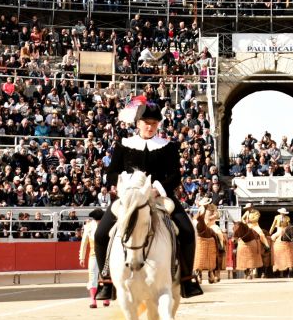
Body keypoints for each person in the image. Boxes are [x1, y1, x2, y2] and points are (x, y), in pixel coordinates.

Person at [93, 96, 203, 300]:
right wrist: (125, 186)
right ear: (138, 124)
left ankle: (188, 279)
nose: (150, 127)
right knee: (100, 234)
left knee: (187, 231)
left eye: (154, 124)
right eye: (146, 123)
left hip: (159, 197)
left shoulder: (168, 146)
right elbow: (112, 173)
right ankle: (106, 281)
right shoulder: (124, 144)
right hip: (128, 196)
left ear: (158, 124)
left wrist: (156, 189)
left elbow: (175, 176)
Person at [78, 209, 104, 308]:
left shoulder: (106, 226)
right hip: (93, 254)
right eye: (98, 220)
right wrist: (82, 257)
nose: (99, 222)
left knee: (105, 277)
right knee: (92, 276)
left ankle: (105, 297)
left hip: (105, 256)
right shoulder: (89, 227)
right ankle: (93, 300)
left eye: (100, 219)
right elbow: (84, 243)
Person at [269, 207, 293, 277]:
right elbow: (273, 225)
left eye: (284, 213)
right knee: (272, 238)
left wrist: (289, 229)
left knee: (291, 240)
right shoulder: (276, 217)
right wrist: (270, 232)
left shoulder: (287, 218)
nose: (283, 214)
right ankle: (270, 249)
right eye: (282, 213)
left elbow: (289, 225)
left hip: (285, 230)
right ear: (280, 213)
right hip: (278, 230)